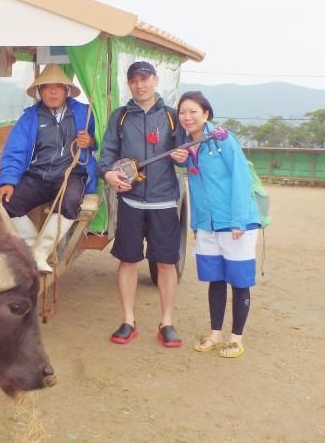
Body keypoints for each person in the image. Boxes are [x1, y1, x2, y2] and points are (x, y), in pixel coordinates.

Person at [98, 61, 184, 347]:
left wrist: (183, 157)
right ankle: (128, 320)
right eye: (134, 80)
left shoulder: (172, 116)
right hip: (131, 202)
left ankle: (167, 322)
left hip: (163, 201)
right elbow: (107, 153)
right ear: (129, 84)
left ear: (156, 80)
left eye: (145, 79)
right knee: (128, 259)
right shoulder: (120, 117)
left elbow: (188, 153)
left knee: (167, 262)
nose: (140, 85)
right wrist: (108, 173)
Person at [171, 91, 260, 359]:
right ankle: (215, 334)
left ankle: (236, 338)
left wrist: (238, 220)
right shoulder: (188, 146)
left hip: (235, 224)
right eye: (183, 112)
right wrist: (197, 225)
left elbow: (240, 179)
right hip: (206, 225)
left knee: (239, 281)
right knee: (216, 280)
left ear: (206, 114)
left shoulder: (223, 140)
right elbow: (196, 188)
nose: (187, 117)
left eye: (193, 112)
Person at [0, 64, 97, 273]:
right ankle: (36, 249)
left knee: (70, 203)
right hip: (38, 175)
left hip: (71, 173)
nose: (52, 92)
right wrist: (8, 181)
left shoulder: (84, 113)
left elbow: (101, 142)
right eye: (46, 87)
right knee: (7, 203)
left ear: (66, 90)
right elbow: (15, 150)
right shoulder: (29, 118)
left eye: (58, 87)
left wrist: (90, 142)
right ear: (39, 92)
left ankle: (39, 254)